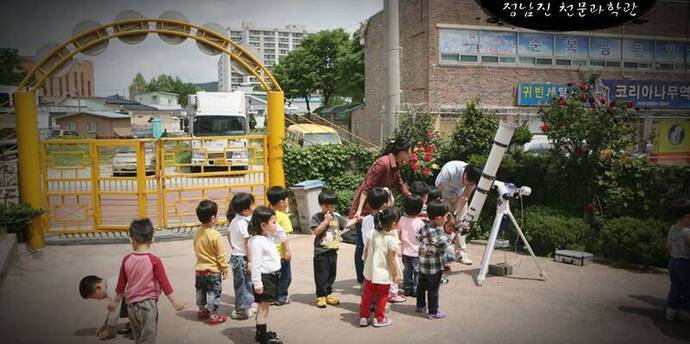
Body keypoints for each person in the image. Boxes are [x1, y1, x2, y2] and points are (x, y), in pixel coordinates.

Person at [349, 135, 413, 284]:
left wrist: (414, 199)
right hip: (366, 208)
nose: (410, 154)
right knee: (363, 245)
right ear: (402, 150)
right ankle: (363, 280)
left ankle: (374, 278)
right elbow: (366, 187)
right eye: (409, 151)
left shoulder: (395, 165)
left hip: (379, 209)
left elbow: (399, 185)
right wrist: (359, 211)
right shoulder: (383, 163)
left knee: (377, 243)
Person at [109, 218, 184, 344]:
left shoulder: (126, 260)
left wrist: (115, 303)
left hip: (131, 305)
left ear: (131, 240)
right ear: (152, 239)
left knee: (138, 337)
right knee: (148, 337)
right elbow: (164, 283)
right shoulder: (155, 261)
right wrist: (174, 301)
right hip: (148, 305)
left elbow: (121, 285)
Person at [311, 189, 357, 308]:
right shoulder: (317, 217)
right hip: (321, 252)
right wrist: (325, 222)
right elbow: (316, 232)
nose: (329, 209)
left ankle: (328, 293)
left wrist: (357, 219)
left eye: (332, 206)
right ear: (321, 205)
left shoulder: (336, 217)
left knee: (332, 274)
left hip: (333, 250)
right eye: (327, 206)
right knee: (321, 275)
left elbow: (346, 224)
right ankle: (320, 295)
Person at [359, 207, 402, 328]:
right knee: (383, 296)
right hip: (383, 273)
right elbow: (392, 259)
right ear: (393, 224)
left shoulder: (372, 233)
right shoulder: (391, 240)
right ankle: (379, 318)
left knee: (367, 294)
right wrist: (396, 274)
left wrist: (367, 263)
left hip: (370, 272)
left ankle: (364, 316)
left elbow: (366, 250)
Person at [249, 206, 285, 344]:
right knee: (263, 308)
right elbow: (256, 265)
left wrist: (276, 226)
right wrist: (257, 283)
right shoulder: (257, 241)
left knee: (264, 307)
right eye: (273, 222)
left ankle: (261, 332)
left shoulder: (268, 237)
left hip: (273, 276)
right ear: (263, 225)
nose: (276, 225)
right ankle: (262, 337)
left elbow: (283, 237)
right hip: (265, 278)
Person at [434, 161, 481, 265]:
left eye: (471, 184)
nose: (467, 185)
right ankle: (439, 253)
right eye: (467, 181)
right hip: (442, 196)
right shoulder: (449, 170)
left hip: (459, 198)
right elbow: (438, 192)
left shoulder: (473, 180)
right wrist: (447, 215)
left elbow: (464, 197)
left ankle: (461, 253)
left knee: (462, 223)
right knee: (441, 223)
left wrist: (456, 213)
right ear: (465, 172)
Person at [193, 200, 229, 325]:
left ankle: (202, 310)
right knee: (214, 292)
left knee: (201, 291)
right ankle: (213, 315)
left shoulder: (197, 232)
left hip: (199, 269)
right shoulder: (215, 235)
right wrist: (224, 268)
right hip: (213, 270)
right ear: (213, 217)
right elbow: (221, 254)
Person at [416, 200, 452, 320]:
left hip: (422, 265)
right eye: (447, 216)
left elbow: (419, 238)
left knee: (421, 286)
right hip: (434, 268)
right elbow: (449, 249)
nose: (447, 218)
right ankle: (433, 311)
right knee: (433, 290)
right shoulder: (440, 235)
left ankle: (420, 306)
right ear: (438, 218)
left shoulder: (424, 228)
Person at [227, 192, 257, 320]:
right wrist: (250, 261)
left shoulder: (235, 220)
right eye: (252, 205)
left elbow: (228, 234)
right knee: (244, 284)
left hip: (236, 256)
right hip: (242, 258)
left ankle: (246, 306)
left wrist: (233, 247)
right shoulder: (243, 223)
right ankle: (241, 310)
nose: (254, 207)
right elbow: (247, 243)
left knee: (241, 283)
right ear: (245, 210)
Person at [79, 275, 131, 340]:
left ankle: (141, 326)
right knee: (124, 304)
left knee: (123, 306)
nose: (98, 299)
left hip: (145, 300)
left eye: (95, 297)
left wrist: (109, 329)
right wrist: (106, 324)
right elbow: (112, 309)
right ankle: (136, 323)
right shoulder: (111, 282)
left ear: (98, 288)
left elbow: (115, 311)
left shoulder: (111, 289)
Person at [266, 186, 294, 306]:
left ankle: (271, 297)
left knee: (271, 277)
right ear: (281, 202)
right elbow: (284, 236)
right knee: (285, 276)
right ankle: (282, 297)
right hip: (281, 254)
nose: (288, 202)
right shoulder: (283, 217)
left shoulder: (265, 213)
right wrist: (287, 251)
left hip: (268, 253)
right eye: (287, 200)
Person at [665, 199, 690, 322]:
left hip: (673, 262)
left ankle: (671, 310)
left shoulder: (673, 228)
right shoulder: (687, 233)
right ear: (687, 216)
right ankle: (685, 311)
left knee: (675, 286)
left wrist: (674, 253)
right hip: (685, 264)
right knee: (687, 288)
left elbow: (668, 246)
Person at [399, 194, 425, 297]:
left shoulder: (400, 220)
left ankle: (407, 288)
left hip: (404, 250)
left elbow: (398, 233)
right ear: (419, 209)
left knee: (407, 270)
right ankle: (415, 289)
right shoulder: (420, 223)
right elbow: (423, 238)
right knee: (417, 272)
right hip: (416, 252)